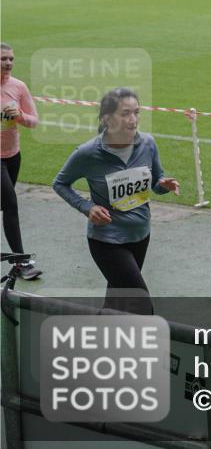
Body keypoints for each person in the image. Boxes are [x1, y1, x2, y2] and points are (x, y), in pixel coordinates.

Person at [53, 88, 179, 314]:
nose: (133, 119)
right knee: (141, 305)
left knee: (117, 300)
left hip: (141, 234)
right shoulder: (88, 153)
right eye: (125, 114)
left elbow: (156, 182)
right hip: (107, 241)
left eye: (137, 113)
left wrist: (163, 185)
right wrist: (86, 207)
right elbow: (60, 184)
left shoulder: (148, 143)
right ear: (106, 118)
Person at [1, 43, 42, 280]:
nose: (8, 63)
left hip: (12, 155)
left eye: (11, 59)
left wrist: (20, 116)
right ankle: (21, 262)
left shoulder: (18, 87)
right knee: (11, 205)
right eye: (3, 59)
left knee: (4, 204)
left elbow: (33, 122)